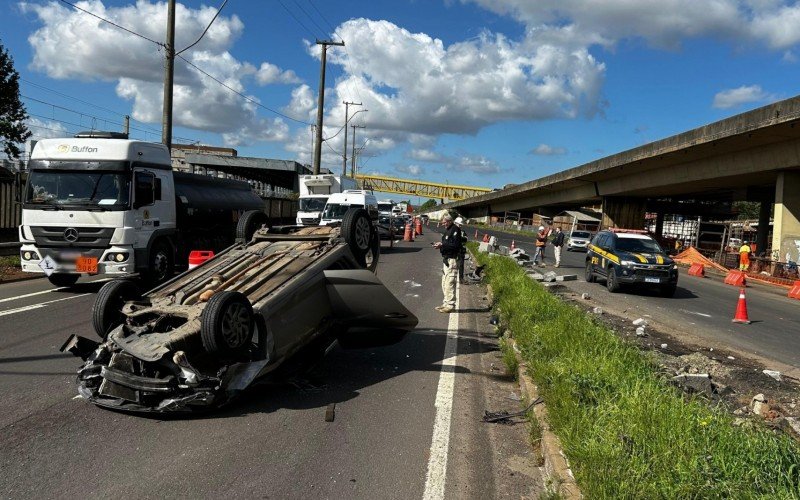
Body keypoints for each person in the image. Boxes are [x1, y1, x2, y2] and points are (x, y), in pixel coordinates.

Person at [433, 214, 463, 313]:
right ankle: (446, 303)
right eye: (442, 223)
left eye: (444, 222)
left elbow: (455, 245)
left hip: (453, 259)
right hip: (446, 260)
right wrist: (440, 245)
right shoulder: (448, 230)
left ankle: (450, 305)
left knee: (450, 282)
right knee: (444, 282)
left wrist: (442, 244)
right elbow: (446, 244)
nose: (443, 224)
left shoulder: (456, 230)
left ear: (450, 221)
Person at [454, 217, 468, 284]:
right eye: (458, 224)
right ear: (455, 223)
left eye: (460, 225)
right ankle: (452, 278)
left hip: (461, 251)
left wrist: (459, 237)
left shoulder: (462, 232)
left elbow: (465, 239)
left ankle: (461, 278)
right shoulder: (452, 231)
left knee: (461, 265)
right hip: (453, 251)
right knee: (452, 265)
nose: (460, 226)